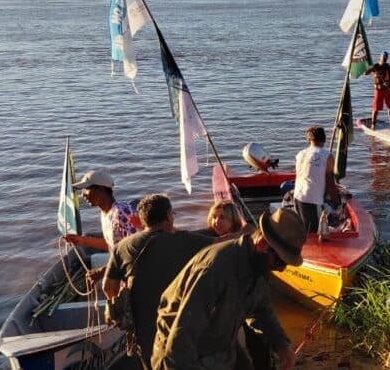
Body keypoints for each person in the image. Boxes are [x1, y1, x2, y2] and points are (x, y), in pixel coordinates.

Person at [151, 207, 307, 370]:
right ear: (262, 244)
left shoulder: (260, 264)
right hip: (181, 353)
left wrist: (282, 345)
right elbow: (181, 338)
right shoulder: (215, 267)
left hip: (220, 344)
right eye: (281, 262)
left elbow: (261, 310)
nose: (281, 269)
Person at [103, 193, 211, 370]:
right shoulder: (185, 241)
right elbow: (222, 244)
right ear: (168, 215)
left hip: (142, 330)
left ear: (142, 219)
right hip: (179, 325)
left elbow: (108, 287)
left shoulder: (123, 247)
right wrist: (245, 233)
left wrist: (125, 306)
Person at [64, 169, 140, 285]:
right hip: (124, 275)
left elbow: (135, 252)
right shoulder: (105, 213)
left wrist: (102, 271)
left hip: (137, 278)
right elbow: (113, 245)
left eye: (86, 189)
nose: (82, 194)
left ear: (101, 190)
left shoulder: (120, 212)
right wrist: (81, 240)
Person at [293, 126, 340, 233]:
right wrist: (336, 200)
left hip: (297, 196)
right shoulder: (327, 156)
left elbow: (304, 175)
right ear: (323, 139)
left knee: (304, 229)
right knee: (313, 233)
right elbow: (330, 182)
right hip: (311, 200)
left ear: (309, 140)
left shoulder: (300, 154)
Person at [364, 51, 390, 128]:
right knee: (376, 107)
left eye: (385, 58)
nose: (384, 60)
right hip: (378, 89)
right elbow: (365, 73)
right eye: (383, 58)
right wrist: (370, 68)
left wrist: (388, 83)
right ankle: (373, 124)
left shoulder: (389, 67)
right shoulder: (375, 66)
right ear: (380, 58)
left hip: (387, 88)